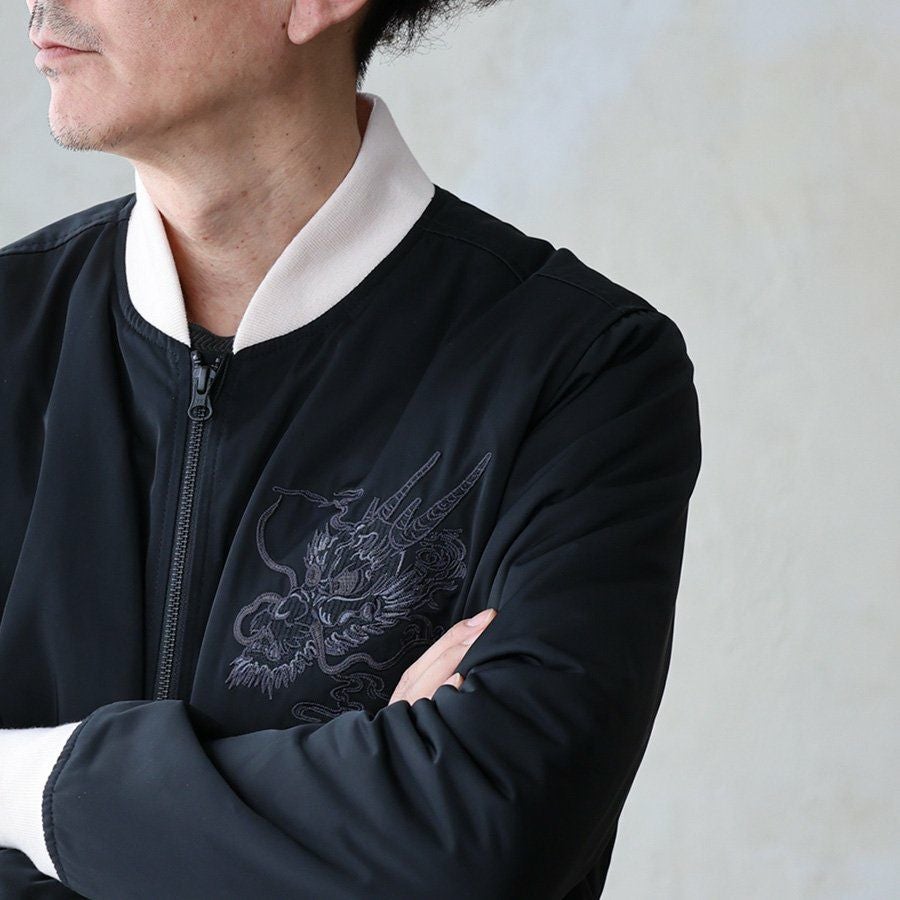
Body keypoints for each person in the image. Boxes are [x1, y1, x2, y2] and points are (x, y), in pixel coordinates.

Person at [0, 0, 702, 897]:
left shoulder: (580, 372)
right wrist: (356, 793)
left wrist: (26, 787)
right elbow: (402, 841)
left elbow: (473, 842)